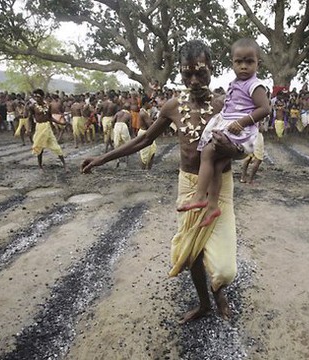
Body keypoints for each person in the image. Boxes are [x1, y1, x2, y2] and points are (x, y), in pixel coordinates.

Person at [82, 40, 243, 323]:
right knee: (190, 251)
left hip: (221, 188)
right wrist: (102, 158)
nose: (193, 80)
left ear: (212, 70)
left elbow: (244, 148)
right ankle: (205, 303)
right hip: (188, 185)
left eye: (200, 73)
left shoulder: (225, 105)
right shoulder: (172, 106)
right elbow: (144, 138)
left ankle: (220, 288)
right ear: (180, 74)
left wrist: (232, 151)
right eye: (186, 74)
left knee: (226, 268)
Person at [177, 38, 270, 226]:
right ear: (232, 63)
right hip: (232, 126)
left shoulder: (254, 85)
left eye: (249, 62)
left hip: (240, 130)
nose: (244, 67)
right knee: (217, 165)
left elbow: (265, 109)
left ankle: (200, 195)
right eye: (239, 62)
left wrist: (242, 122)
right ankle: (212, 206)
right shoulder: (235, 83)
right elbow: (146, 138)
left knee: (208, 152)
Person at [29, 89, 67, 171]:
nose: (36, 98)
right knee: (39, 147)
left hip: (47, 127)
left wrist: (60, 123)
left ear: (42, 97)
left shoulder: (48, 105)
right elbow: (30, 118)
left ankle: (64, 165)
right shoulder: (32, 107)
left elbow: (50, 118)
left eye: (38, 96)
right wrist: (29, 129)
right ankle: (40, 166)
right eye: (34, 96)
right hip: (39, 127)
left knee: (56, 147)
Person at [137, 96, 157, 170]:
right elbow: (150, 125)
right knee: (144, 155)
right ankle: (143, 171)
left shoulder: (145, 112)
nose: (151, 104)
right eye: (150, 103)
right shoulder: (143, 113)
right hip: (145, 133)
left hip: (147, 133)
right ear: (146, 103)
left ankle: (148, 170)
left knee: (152, 152)